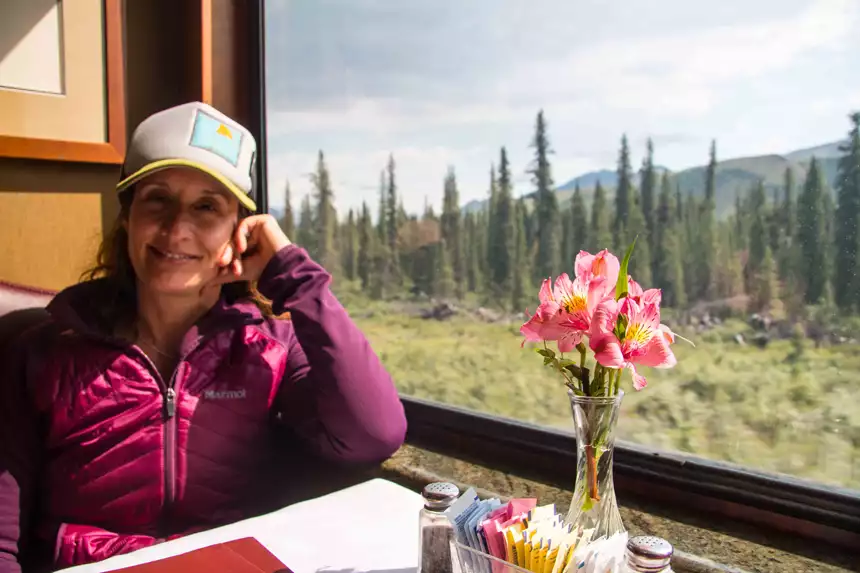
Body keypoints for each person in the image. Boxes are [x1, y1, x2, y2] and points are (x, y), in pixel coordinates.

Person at [0, 102, 407, 572]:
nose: (178, 229)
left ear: (240, 231)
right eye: (157, 199)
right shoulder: (43, 355)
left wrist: (296, 280)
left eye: (207, 207)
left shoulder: (270, 349)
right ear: (127, 216)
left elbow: (374, 434)